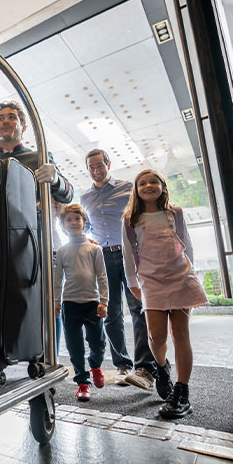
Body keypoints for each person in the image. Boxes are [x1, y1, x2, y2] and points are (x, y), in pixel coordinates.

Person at [121, 169, 208, 418]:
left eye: (154, 181)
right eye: (142, 183)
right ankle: (162, 367)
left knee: (181, 334)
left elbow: (186, 244)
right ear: (136, 190)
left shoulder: (175, 213)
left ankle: (182, 391)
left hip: (180, 278)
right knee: (156, 336)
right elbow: (128, 255)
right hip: (150, 282)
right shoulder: (130, 220)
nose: (148, 185)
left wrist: (190, 271)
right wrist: (132, 284)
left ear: (163, 186)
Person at [0, 100, 74, 353]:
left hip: (34, 240)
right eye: (2, 118)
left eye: (13, 117)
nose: (6, 121)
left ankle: (49, 357)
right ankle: (7, 353)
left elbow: (68, 195)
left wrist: (56, 178)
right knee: (4, 300)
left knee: (44, 303)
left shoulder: (38, 157)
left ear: (23, 126)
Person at [79, 149, 157, 390]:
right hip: (103, 256)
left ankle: (145, 367)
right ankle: (122, 365)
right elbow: (86, 226)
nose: (96, 170)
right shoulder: (85, 198)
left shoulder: (127, 188)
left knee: (138, 308)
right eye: (91, 167)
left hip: (130, 254)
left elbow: (140, 218)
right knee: (110, 312)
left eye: (99, 165)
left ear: (108, 164)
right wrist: (88, 239)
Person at [53, 204, 108, 401]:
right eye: (69, 220)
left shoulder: (95, 249)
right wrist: (56, 303)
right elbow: (57, 279)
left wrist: (104, 302)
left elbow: (102, 277)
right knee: (74, 346)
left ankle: (95, 365)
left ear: (84, 223)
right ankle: (83, 383)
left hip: (92, 303)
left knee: (98, 343)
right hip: (70, 304)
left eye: (78, 219)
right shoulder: (61, 251)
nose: (74, 222)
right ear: (63, 225)